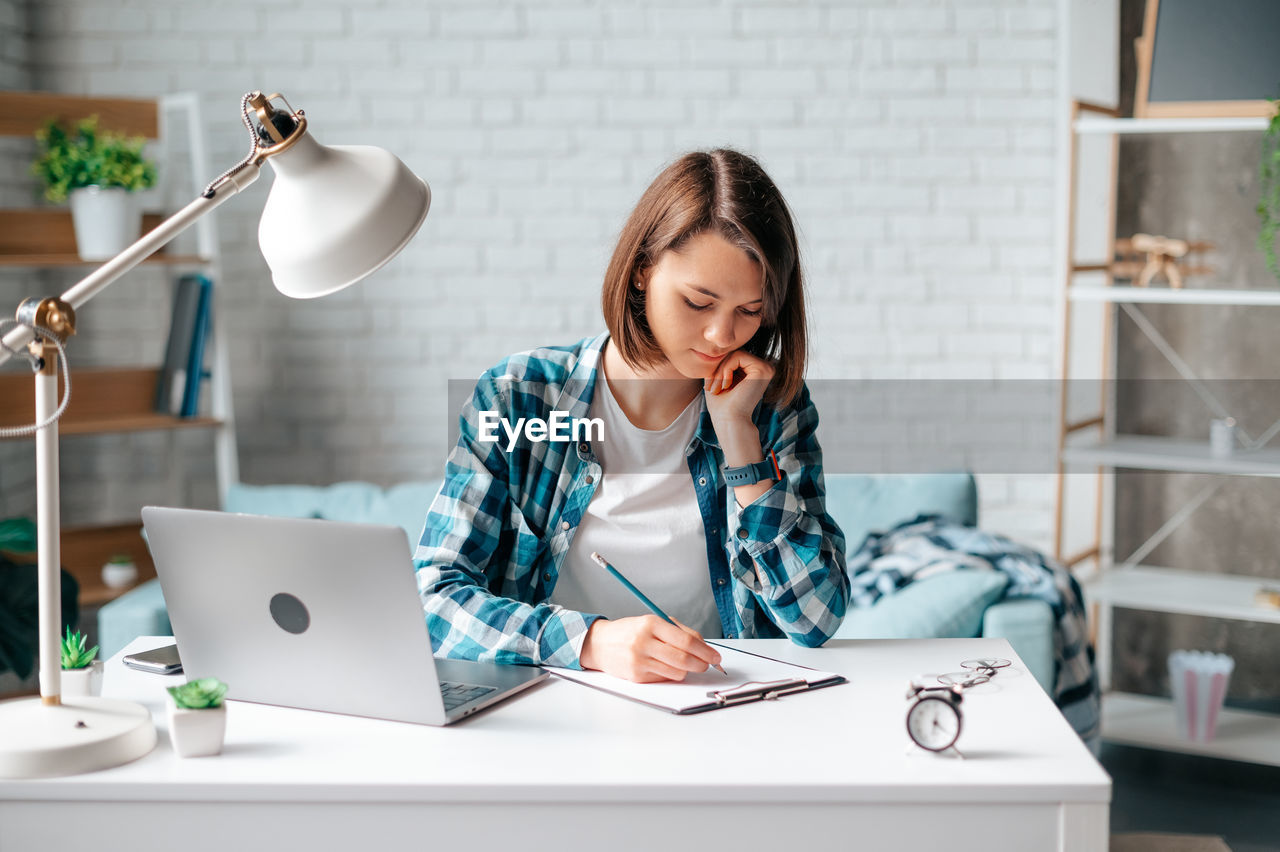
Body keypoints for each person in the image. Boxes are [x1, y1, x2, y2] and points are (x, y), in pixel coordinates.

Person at [414, 148, 848, 683]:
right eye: (698, 302)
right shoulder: (519, 397)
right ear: (642, 270)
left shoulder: (771, 404)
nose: (722, 335)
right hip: (550, 710)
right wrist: (590, 642)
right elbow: (432, 600)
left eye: (749, 312)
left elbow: (817, 619)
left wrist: (740, 440)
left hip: (719, 712)